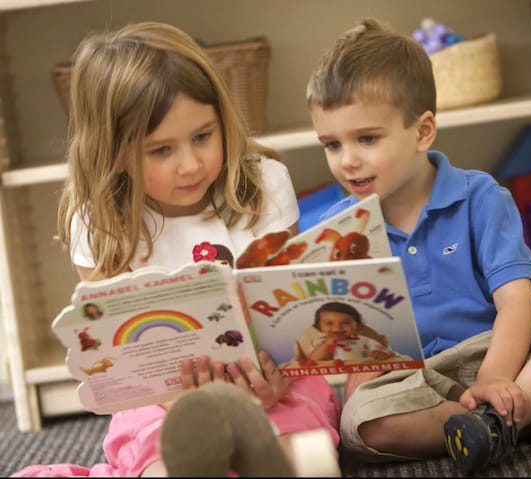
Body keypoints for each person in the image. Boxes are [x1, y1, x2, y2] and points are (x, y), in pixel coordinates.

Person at [12, 21, 341, 478]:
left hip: (274, 382)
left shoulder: (264, 185)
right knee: (160, 460)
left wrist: (270, 382)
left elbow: (286, 311)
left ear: (223, 119)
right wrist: (187, 403)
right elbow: (119, 354)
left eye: (203, 136)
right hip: (159, 400)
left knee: (311, 460)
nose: (190, 164)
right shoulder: (98, 219)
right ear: (116, 152)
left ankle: (258, 457)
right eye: (161, 149)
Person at [306, 18, 531, 474]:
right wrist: (358, 375)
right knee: (364, 425)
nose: (347, 160)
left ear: (422, 132)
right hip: (416, 380)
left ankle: (507, 411)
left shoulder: (480, 196)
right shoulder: (336, 231)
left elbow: (516, 300)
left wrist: (497, 375)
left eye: (367, 139)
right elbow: (351, 346)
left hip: (507, 353)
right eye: (331, 144)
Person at [306, 301, 395, 362]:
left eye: (346, 323)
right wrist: (327, 345)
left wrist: (382, 354)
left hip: (360, 374)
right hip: (330, 377)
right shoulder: (319, 342)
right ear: (319, 326)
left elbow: (387, 351)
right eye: (329, 323)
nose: (337, 328)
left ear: (357, 325)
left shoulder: (364, 341)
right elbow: (313, 359)